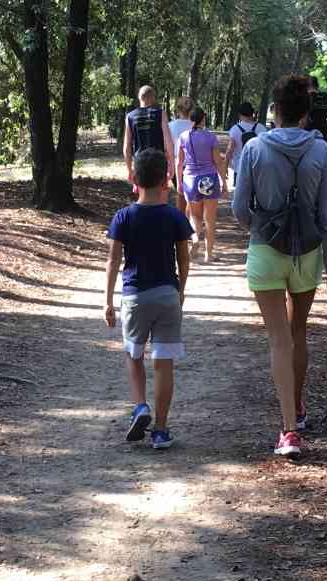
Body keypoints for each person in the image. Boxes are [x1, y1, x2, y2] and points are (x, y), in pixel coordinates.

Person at [233, 74, 327, 457]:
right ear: (304, 113)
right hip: (310, 254)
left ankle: (288, 431)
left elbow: (238, 209)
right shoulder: (319, 151)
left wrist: (263, 228)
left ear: (274, 110)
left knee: (278, 339)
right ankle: (297, 407)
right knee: (299, 331)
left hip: (265, 251)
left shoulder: (254, 148)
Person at [105, 148, 194, 450]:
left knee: (133, 354)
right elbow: (184, 258)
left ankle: (140, 405)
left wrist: (107, 301)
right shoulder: (174, 216)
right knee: (164, 362)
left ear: (134, 179)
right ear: (166, 179)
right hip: (167, 294)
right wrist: (180, 291)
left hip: (134, 296)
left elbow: (113, 261)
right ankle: (161, 429)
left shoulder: (123, 217)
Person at [175, 108, 226, 263]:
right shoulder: (210, 137)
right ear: (203, 119)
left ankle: (195, 238)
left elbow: (179, 163)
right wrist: (224, 181)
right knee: (210, 220)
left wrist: (179, 182)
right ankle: (208, 255)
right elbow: (218, 161)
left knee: (194, 216)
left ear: (191, 120)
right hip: (209, 179)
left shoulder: (183, 137)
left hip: (190, 180)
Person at [123, 86, 177, 198]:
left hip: (140, 163)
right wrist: (171, 164)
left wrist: (129, 170)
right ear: (153, 98)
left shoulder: (130, 116)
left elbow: (127, 146)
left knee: (144, 199)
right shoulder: (160, 113)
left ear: (139, 97)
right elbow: (168, 141)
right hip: (159, 162)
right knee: (161, 200)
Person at [226, 101, 267, 195]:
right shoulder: (261, 128)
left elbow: (229, 151)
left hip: (239, 168)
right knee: (257, 194)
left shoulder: (235, 129)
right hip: (257, 167)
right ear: (252, 114)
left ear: (240, 114)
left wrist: (225, 168)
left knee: (240, 195)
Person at [306, 76, 327, 149]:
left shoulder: (306, 97)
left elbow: (303, 119)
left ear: (308, 85)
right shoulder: (325, 96)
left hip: (309, 133)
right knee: (325, 157)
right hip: (324, 132)